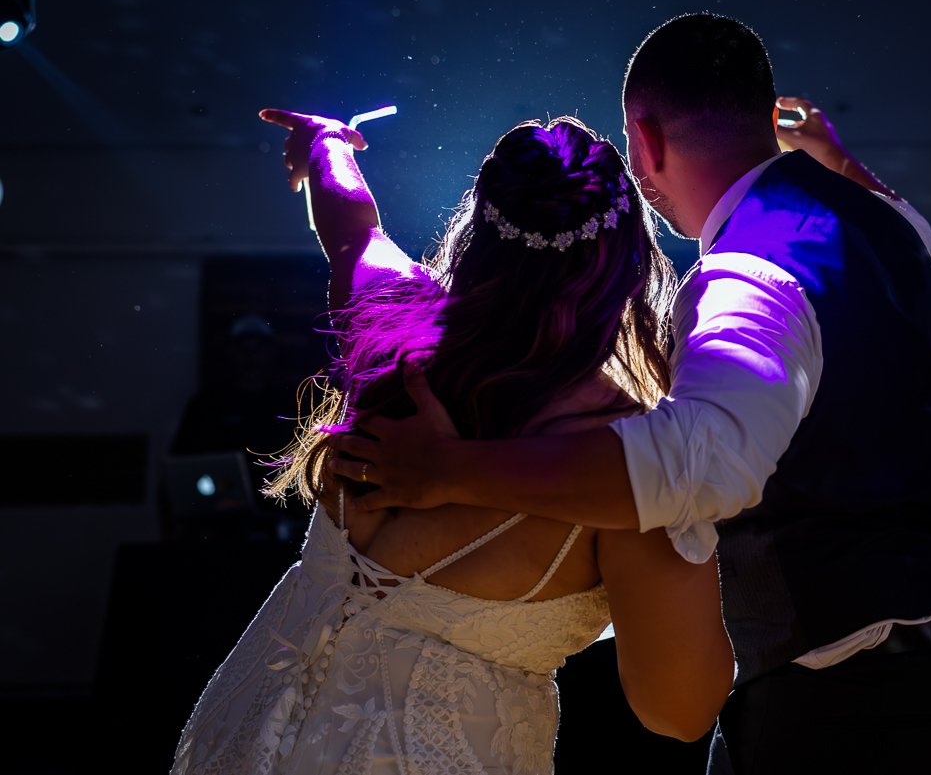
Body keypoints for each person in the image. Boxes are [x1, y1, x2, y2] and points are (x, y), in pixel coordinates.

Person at [327, 13, 931, 773]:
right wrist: (836, 162)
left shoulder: (747, 274)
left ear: (647, 139)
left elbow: (698, 462)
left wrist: (452, 469)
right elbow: (901, 233)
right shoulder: (897, 229)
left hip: (848, 716)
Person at [171, 110, 733, 775]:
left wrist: (326, 144)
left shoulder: (394, 318)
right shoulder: (628, 461)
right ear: (625, 261)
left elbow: (352, 226)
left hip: (245, 737)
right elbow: (680, 710)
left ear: (479, 233)